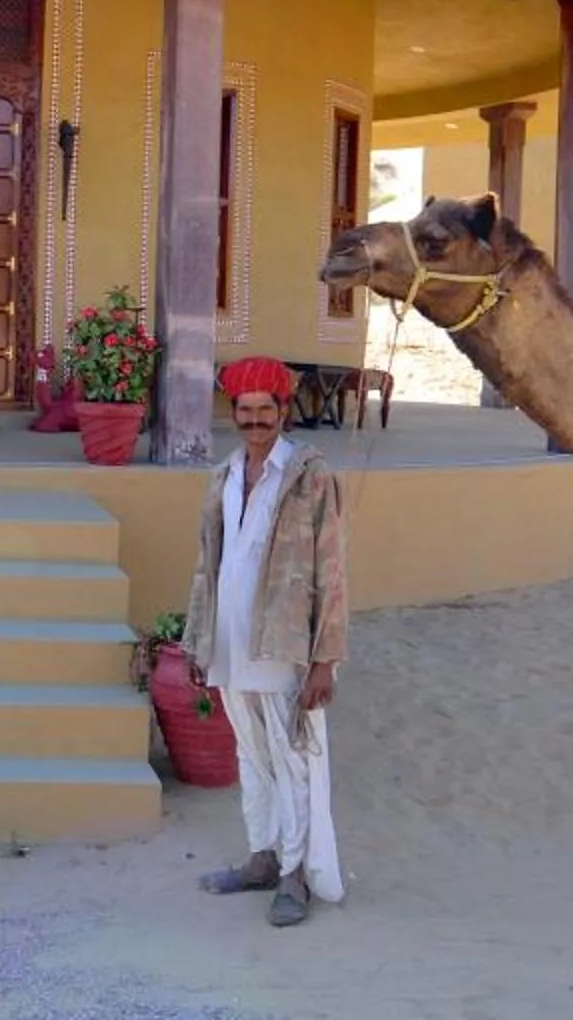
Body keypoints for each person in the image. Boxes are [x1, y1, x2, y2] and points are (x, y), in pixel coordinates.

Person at [185, 354, 348, 926]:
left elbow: (331, 571)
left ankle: (294, 875)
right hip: (230, 642)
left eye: (265, 409)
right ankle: (261, 857)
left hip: (283, 646)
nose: (255, 420)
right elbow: (209, 564)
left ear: (283, 411)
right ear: (233, 413)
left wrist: (325, 659)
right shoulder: (225, 475)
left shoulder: (309, 476)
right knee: (250, 756)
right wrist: (198, 638)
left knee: (292, 760)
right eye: (246, 410)